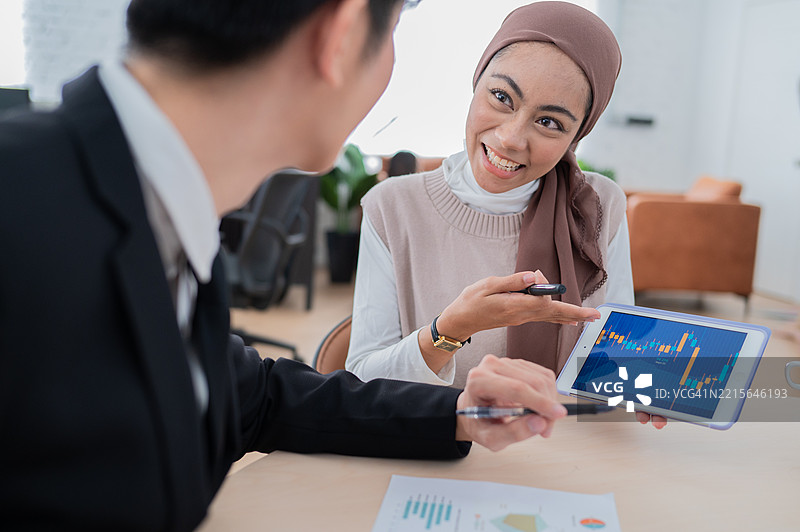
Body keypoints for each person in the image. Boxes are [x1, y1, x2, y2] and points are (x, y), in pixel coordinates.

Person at [0, 0, 577, 530]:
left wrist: (455, 412)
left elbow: (259, 400)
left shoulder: (163, 210)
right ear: (342, 35)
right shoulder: (21, 207)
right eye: (394, 30)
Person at [346, 2, 663, 430]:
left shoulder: (598, 204)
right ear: (476, 84)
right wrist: (451, 329)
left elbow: (616, 356)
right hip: (437, 447)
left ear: (576, 136)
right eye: (501, 97)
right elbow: (361, 380)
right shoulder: (392, 206)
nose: (511, 138)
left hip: (557, 447)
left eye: (549, 122)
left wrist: (640, 383)